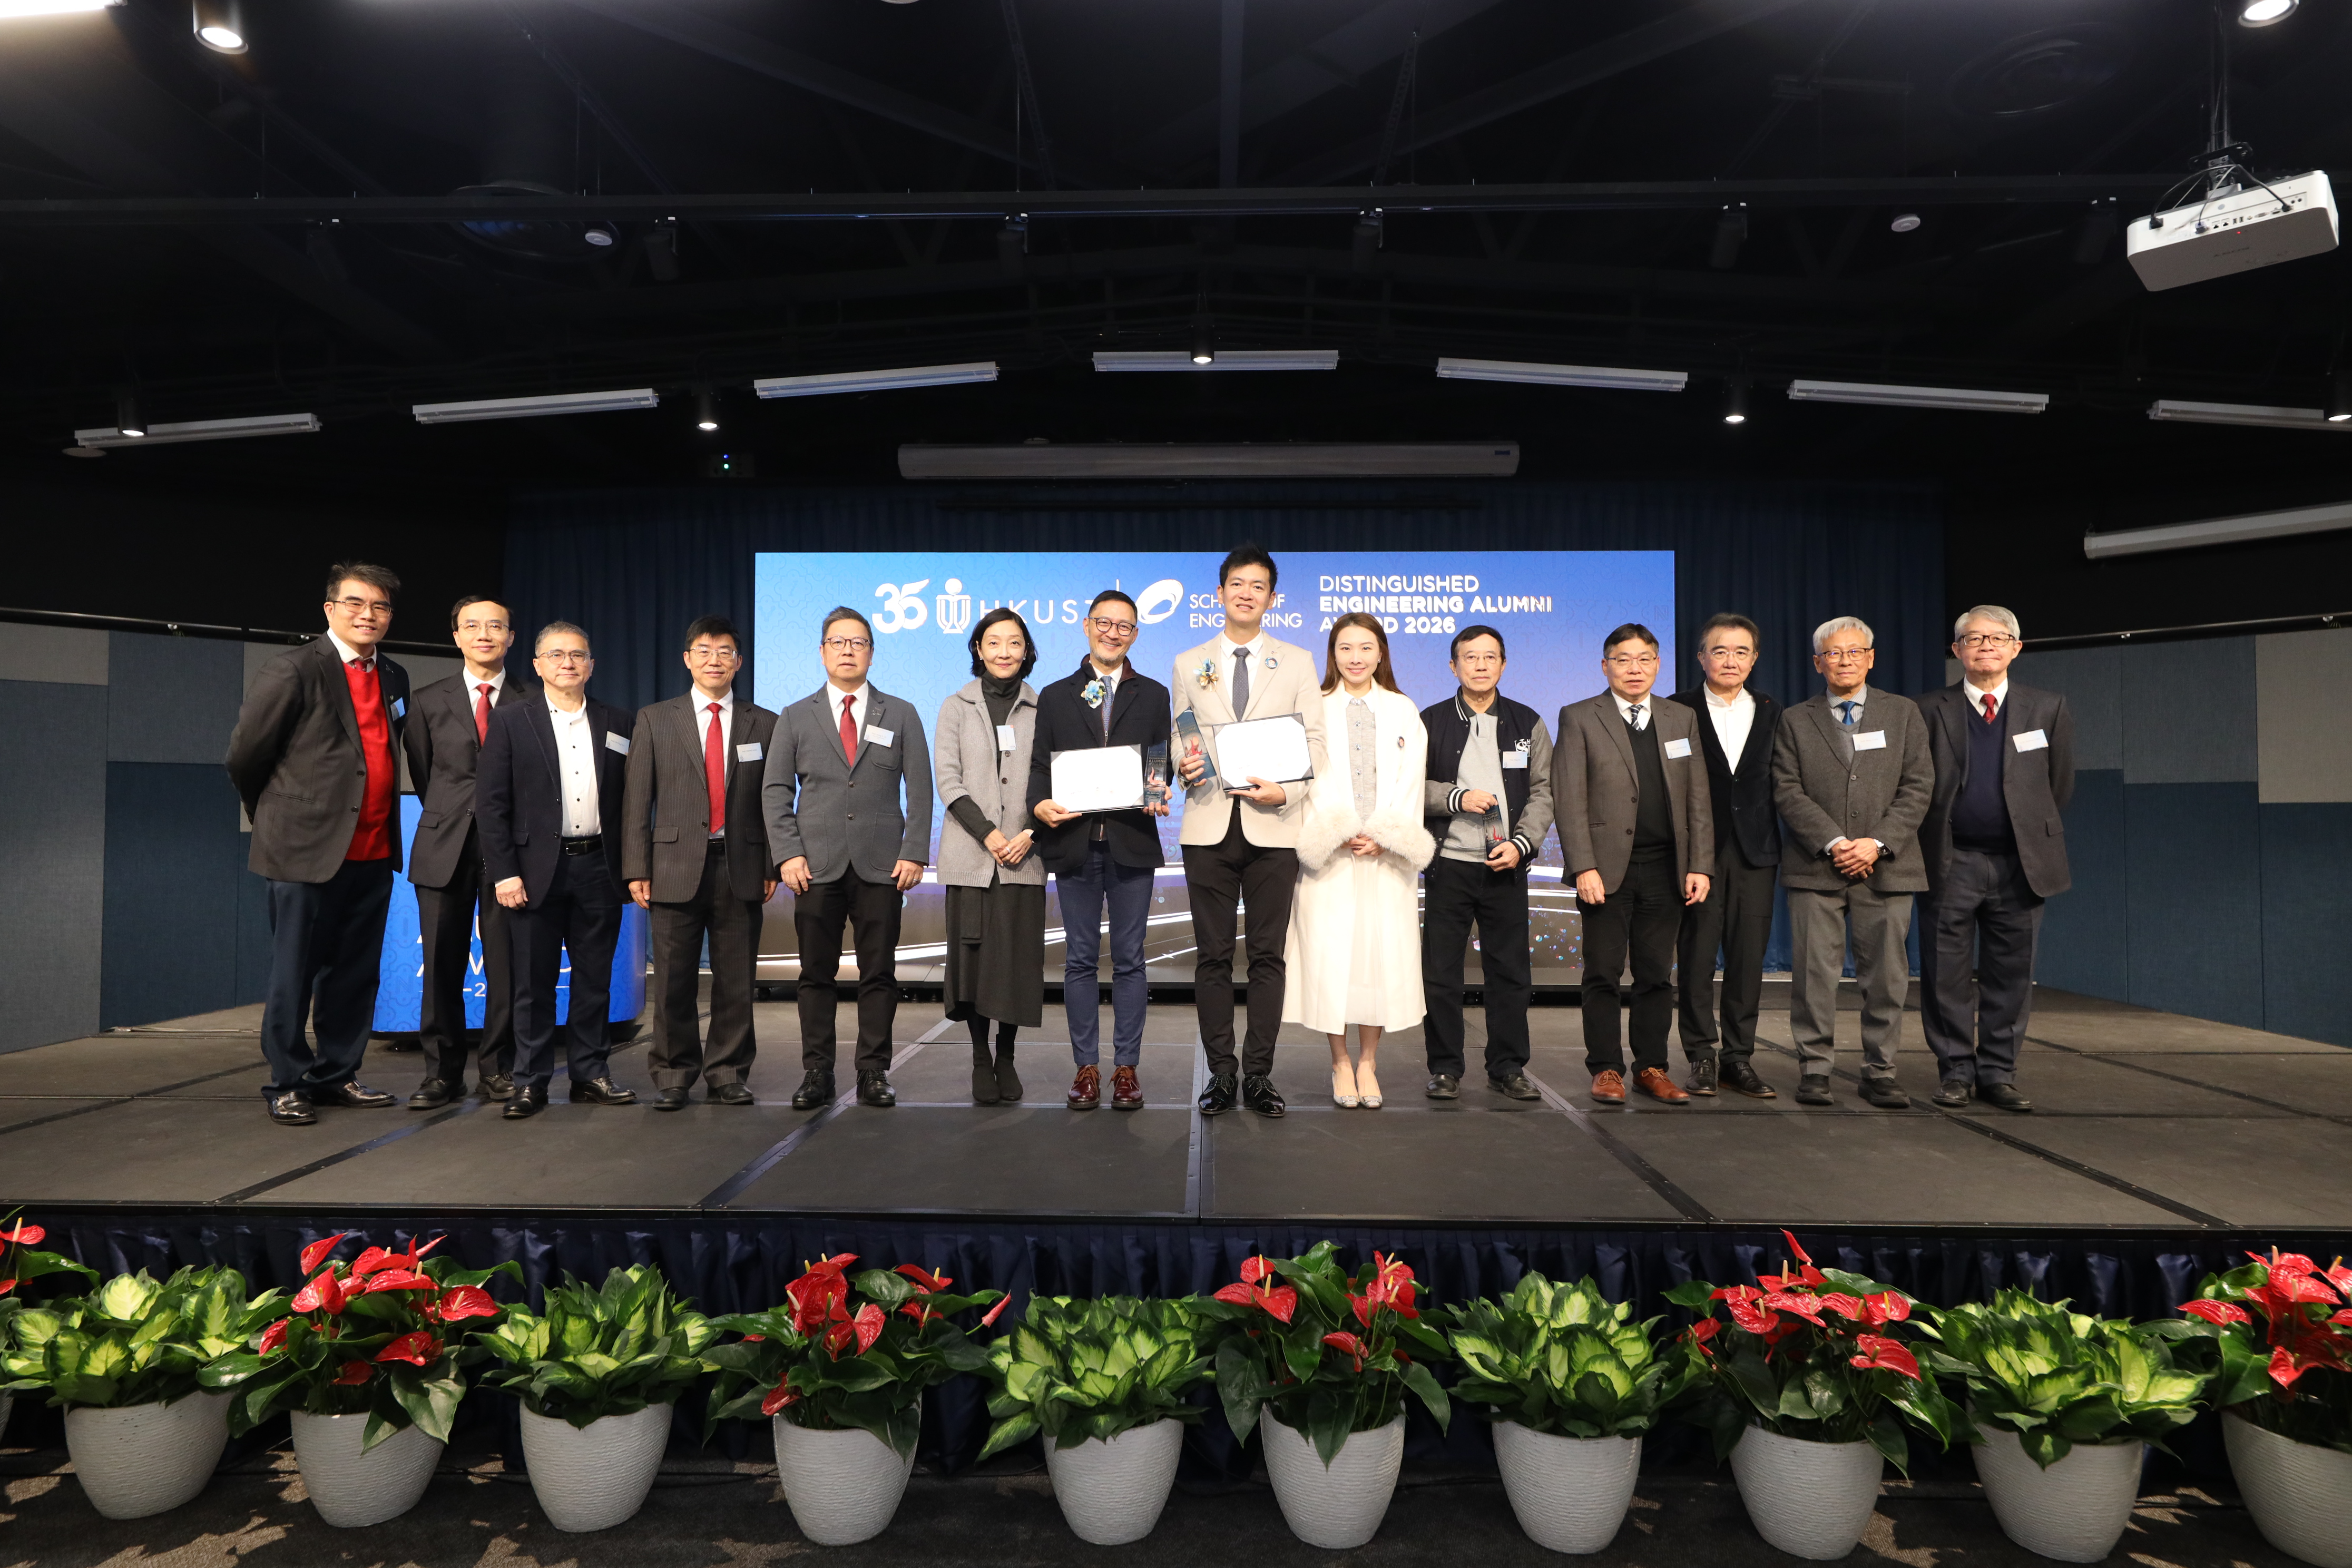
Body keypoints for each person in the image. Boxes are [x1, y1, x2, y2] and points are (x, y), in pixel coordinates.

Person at [224, 563, 412, 1126]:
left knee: (356, 972)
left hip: (375, 849)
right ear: (330, 609)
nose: (368, 615)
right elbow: (245, 757)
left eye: (379, 607)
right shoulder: (293, 670)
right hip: (302, 852)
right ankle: (286, 1081)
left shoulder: (394, 675)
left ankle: (337, 1074)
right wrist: (277, 819)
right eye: (356, 604)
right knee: (295, 971)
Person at [1171, 545, 1330, 1119]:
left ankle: (1259, 1073)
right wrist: (1185, 761)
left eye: (1257, 585)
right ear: (1219, 594)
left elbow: (1316, 743)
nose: (1246, 593)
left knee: (1268, 958)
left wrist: (1287, 791)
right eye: (1236, 584)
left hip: (1274, 826)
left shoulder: (1297, 661)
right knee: (1212, 958)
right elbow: (1180, 733)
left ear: (1271, 598)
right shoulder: (1189, 661)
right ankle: (1221, 1073)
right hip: (1209, 823)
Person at [762, 606, 933, 1111]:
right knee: (816, 973)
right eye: (838, 642)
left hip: (883, 866)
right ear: (821, 652)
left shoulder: (900, 713)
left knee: (879, 973)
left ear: (872, 653)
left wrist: (914, 852)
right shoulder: (795, 715)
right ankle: (816, 1071)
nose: (847, 651)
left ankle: (874, 1072)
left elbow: (920, 789)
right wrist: (787, 855)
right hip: (815, 867)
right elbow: (775, 791)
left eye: (858, 643)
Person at [1915, 606, 2075, 1114]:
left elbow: (2059, 785)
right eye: (1973, 639)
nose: (1986, 646)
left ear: (2016, 648)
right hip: (1950, 859)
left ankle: (1999, 1074)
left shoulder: (2047, 707)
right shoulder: (1928, 709)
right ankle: (1956, 1072)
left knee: (2011, 974)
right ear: (1957, 650)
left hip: (2020, 864)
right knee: (1946, 974)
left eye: (1997, 638)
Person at [1771, 615, 1935, 1109]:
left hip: (1888, 866)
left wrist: (1877, 843)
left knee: (1886, 977)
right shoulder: (1796, 719)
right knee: (1813, 976)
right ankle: (1815, 1069)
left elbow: (1919, 785)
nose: (1845, 661)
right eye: (1834, 654)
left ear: (1871, 658)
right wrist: (1836, 842)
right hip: (1816, 866)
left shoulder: (1903, 713)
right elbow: (1787, 788)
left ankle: (1880, 1070)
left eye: (1854, 651)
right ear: (1818, 663)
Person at [476, 622, 638, 1120]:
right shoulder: (510, 720)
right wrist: (505, 873)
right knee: (532, 983)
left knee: (594, 981)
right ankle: (531, 1081)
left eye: (578, 655)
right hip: (532, 873)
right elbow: (492, 803)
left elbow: (633, 803)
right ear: (538, 664)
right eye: (557, 654)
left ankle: (591, 1074)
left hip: (599, 869)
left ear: (591, 665)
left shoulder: (619, 722)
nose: (568, 663)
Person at [622, 615, 781, 1111]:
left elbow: (776, 800)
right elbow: (636, 799)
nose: (715, 660)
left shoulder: (765, 723)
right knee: (672, 978)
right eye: (705, 651)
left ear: (739, 662)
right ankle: (673, 1074)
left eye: (726, 652)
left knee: (736, 977)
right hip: (671, 863)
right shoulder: (654, 718)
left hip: (742, 864)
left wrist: (773, 863)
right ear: (688, 658)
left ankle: (729, 1072)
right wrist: (636, 867)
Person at [1552, 623, 1712, 1106]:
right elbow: (1569, 798)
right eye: (1623, 660)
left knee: (1656, 976)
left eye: (1644, 659)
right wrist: (1583, 865)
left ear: (1658, 664)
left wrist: (1700, 864)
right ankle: (1605, 1068)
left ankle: (1651, 1067)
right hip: (1605, 871)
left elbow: (1697, 798)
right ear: (1605, 666)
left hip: (1667, 868)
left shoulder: (1680, 717)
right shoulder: (1580, 717)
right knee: (1602, 972)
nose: (1634, 668)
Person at [1029, 591, 1174, 1112]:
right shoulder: (1056, 694)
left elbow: (1161, 758)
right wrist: (1038, 805)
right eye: (1105, 624)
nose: (1114, 633)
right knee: (1080, 961)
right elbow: (1041, 767)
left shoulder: (1153, 694)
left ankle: (1127, 1070)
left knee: (1132, 961)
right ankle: (1086, 1069)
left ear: (1135, 634)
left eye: (1125, 627)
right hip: (1074, 844)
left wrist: (1157, 793)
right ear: (1087, 626)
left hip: (1132, 841)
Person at [1284, 614, 1434, 1108]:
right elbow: (1306, 782)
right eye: (1345, 649)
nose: (1355, 658)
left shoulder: (1402, 709)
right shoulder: (1316, 708)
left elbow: (1412, 783)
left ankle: (1369, 1061)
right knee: (1332, 961)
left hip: (1385, 858)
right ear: (1332, 655)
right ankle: (1340, 1062)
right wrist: (1342, 831)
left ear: (1381, 654)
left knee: (1379, 960)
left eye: (1365, 648)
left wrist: (1385, 837)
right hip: (1332, 857)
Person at [400, 595, 531, 1109]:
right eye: (472, 626)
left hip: (512, 854)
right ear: (455, 636)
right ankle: (441, 1074)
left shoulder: (531, 698)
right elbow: (423, 770)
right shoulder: (428, 701)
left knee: (506, 967)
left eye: (496, 626)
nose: (484, 634)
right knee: (440, 965)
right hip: (443, 847)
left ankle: (498, 1069)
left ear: (511, 638)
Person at [1419, 625, 1554, 1102]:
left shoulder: (1527, 722)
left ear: (1503, 664)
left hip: (1506, 864)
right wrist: (1455, 797)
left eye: (1490, 657)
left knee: (1511, 973)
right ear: (1453, 666)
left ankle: (1508, 1067)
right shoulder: (1429, 721)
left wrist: (1522, 843)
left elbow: (1543, 792)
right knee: (1440, 974)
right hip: (1449, 864)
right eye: (1470, 657)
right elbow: (1409, 788)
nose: (1480, 665)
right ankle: (1445, 1069)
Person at [1665, 614, 1782, 1100]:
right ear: (1701, 658)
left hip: (1756, 850)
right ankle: (1701, 1056)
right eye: (1720, 651)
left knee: (1747, 959)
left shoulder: (1775, 710)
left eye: (1740, 652)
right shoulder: (1677, 709)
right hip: (1698, 852)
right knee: (1695, 957)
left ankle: (1739, 1057)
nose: (1730, 660)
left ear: (1754, 659)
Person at [934, 608, 1045, 1105]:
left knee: (1015, 965)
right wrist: (990, 835)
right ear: (979, 649)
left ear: (1027, 652)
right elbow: (948, 780)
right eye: (994, 643)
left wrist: (1028, 833)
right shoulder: (954, 707)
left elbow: (1053, 783)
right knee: (974, 963)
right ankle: (980, 1056)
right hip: (971, 855)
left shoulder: (1045, 710)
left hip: (1025, 855)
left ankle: (1007, 1055)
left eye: (1014, 643)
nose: (1004, 652)